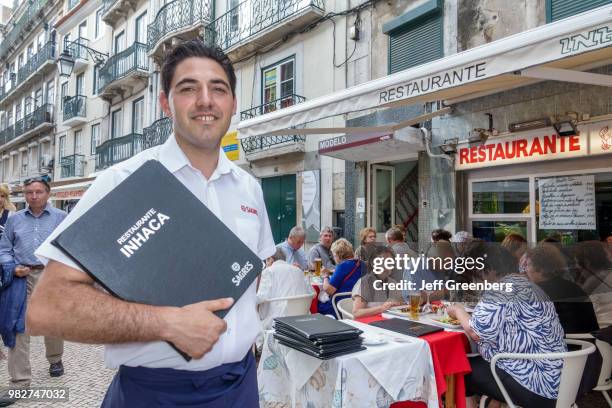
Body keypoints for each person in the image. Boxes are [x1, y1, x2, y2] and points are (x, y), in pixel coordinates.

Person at [26, 41, 276, 407]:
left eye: (218, 89)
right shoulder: (122, 181)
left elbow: (252, 278)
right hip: (154, 395)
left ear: (232, 104)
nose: (206, 100)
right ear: (165, 103)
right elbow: (46, 308)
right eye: (188, 88)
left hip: (240, 388)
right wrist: (167, 324)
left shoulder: (250, 188)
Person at [447, 245, 566, 408]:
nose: (477, 280)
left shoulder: (500, 290)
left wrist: (457, 310)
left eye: (477, 273)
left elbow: (476, 332)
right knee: (481, 364)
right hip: (560, 378)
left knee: (460, 368)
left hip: (536, 385)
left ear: (490, 270)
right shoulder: (529, 285)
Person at [0, 178, 67, 406]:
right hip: (22, 277)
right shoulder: (14, 219)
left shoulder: (62, 218)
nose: (34, 196)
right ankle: (20, 382)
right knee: (18, 326)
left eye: (39, 192)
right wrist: (12, 267)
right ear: (25, 195)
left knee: (53, 323)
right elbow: (4, 249)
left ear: (48, 194)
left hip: (52, 276)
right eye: (29, 192)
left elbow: (70, 248)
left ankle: (55, 359)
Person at [525, 243, 599, 334]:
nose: (526, 269)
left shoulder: (533, 293)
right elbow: (592, 326)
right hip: (586, 344)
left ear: (540, 269)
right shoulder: (575, 288)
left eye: (528, 265)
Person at [256, 248, 314, 350]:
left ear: (270, 259)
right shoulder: (298, 270)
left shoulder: (268, 271)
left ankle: (260, 350)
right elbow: (312, 293)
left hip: (277, 319)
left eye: (266, 260)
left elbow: (261, 297)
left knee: (253, 311)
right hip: (302, 318)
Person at [317, 238, 364, 318]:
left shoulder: (342, 266)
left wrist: (325, 276)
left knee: (317, 304)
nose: (334, 258)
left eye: (334, 255)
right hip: (358, 304)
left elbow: (329, 290)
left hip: (339, 306)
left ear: (338, 255)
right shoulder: (362, 264)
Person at [352, 246, 403, 319]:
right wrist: (382, 308)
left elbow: (400, 303)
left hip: (388, 322)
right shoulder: (365, 283)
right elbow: (356, 313)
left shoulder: (392, 282)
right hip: (368, 325)